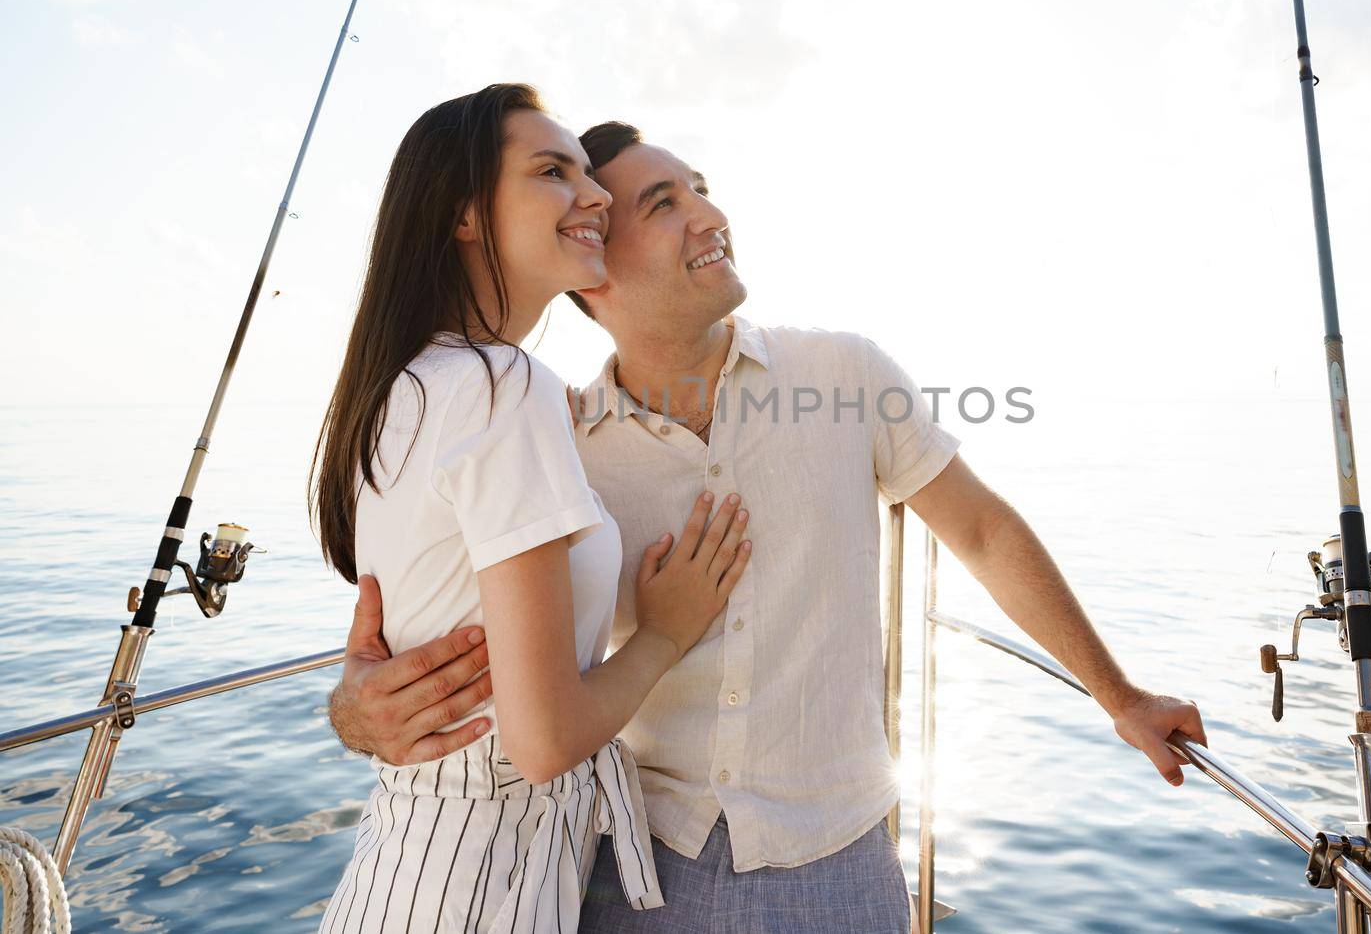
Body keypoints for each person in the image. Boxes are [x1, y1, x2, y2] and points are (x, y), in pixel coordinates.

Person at [329, 120, 1207, 933]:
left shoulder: (845, 372)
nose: (710, 215)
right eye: (664, 203)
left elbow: (981, 531)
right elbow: (438, 599)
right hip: (631, 870)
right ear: (594, 265)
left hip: (840, 867)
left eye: (700, 187)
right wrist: (353, 708)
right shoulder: (558, 433)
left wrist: (1119, 696)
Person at [309, 86, 753, 934]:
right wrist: (665, 631)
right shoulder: (503, 386)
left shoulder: (405, 386)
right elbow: (545, 740)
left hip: (415, 865)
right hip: (486, 887)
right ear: (464, 214)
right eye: (554, 172)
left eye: (589, 175)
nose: (593, 197)